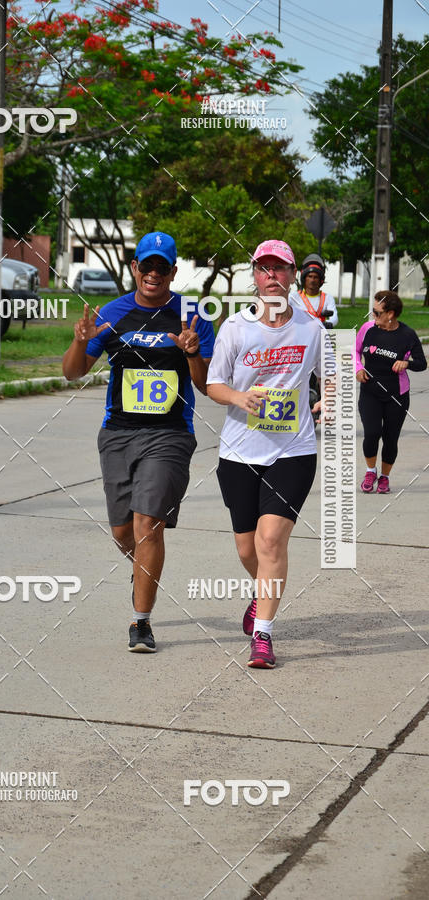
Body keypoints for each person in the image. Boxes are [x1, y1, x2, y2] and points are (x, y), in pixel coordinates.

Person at [62, 232, 215, 652]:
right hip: (118, 434)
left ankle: (141, 622)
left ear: (173, 272)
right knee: (123, 533)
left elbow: (203, 384)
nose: (153, 274)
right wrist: (80, 340)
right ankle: (145, 571)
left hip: (169, 435)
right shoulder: (113, 313)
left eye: (161, 267)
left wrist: (191, 352)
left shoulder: (192, 315)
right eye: (146, 265)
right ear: (134, 268)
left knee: (148, 526)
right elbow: (72, 373)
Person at [207, 239, 330, 669]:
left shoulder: (311, 329)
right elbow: (213, 384)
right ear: (255, 276)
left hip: (293, 450)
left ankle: (263, 636)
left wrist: (327, 400)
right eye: (264, 269)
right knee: (248, 550)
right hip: (239, 452)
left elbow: (330, 377)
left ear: (293, 275)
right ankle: (261, 595)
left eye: (281, 269)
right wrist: (239, 398)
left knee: (271, 540)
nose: (272, 276)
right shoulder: (235, 328)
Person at [355, 290, 426, 494]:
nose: (373, 317)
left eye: (377, 313)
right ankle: (370, 471)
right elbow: (355, 351)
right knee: (371, 433)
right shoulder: (368, 329)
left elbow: (421, 363)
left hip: (397, 395)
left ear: (390, 314)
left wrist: (407, 363)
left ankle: (384, 478)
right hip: (370, 392)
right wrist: (358, 368)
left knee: (390, 437)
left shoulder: (407, 335)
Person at [290, 253, 338, 327]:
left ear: (321, 280)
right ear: (304, 279)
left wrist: (329, 323)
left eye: (316, 277)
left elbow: (334, 317)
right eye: (310, 276)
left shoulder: (328, 298)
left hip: (320, 333)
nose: (312, 280)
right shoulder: (293, 297)